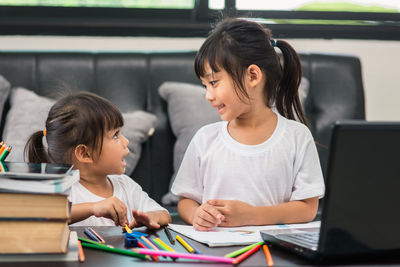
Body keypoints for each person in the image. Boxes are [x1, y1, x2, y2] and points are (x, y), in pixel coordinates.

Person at [171, 18, 325, 231]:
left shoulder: (297, 137)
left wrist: (251, 215)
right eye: (205, 85)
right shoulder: (205, 139)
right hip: (217, 254)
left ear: (253, 75)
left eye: (214, 83)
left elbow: (307, 208)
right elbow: (186, 201)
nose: (208, 95)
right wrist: (197, 214)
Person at [25, 91, 171, 228]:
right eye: (115, 135)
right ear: (85, 154)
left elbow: (164, 215)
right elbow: (40, 215)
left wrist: (150, 217)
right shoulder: (63, 190)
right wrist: (92, 208)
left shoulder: (126, 185)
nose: (125, 141)